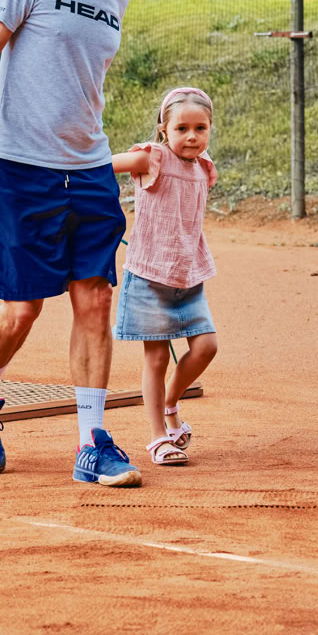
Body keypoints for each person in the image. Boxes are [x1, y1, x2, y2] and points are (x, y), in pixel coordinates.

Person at [0, 0, 156, 488]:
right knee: (23, 309)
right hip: (20, 166)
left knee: (94, 298)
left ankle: (92, 442)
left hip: (89, 168)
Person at [111, 87, 220, 466]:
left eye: (200, 128)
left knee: (206, 347)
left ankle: (171, 402)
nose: (192, 136)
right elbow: (101, 166)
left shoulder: (204, 168)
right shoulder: (151, 158)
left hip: (188, 275)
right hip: (149, 275)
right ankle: (159, 437)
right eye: (182, 128)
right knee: (156, 359)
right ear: (164, 130)